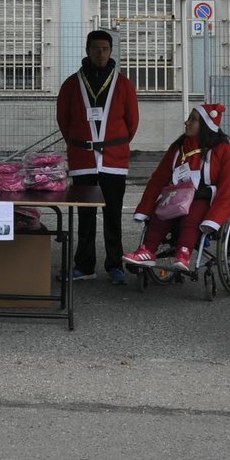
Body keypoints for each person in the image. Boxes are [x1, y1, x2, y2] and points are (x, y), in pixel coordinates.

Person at [56, 29, 140, 283]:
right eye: (96, 48)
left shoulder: (123, 84)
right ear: (87, 50)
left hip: (113, 161)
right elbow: (63, 119)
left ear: (111, 51)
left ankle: (115, 266)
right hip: (83, 160)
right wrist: (80, 144)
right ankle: (84, 266)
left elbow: (132, 121)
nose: (100, 53)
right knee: (85, 217)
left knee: (113, 216)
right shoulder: (72, 83)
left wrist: (113, 145)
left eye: (105, 48)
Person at [124, 102, 230, 274]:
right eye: (189, 119)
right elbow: (159, 179)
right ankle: (147, 251)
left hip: (205, 198)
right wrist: (146, 208)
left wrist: (214, 219)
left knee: (193, 214)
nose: (186, 123)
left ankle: (184, 254)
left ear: (205, 125)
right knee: (161, 213)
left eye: (192, 120)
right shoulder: (178, 148)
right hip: (177, 195)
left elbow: (229, 189)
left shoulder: (226, 152)